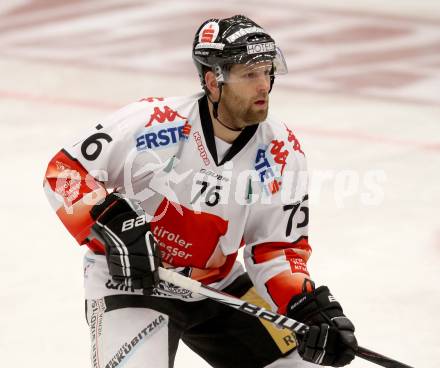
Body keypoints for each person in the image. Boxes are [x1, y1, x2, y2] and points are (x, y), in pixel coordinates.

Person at [44, 15, 358, 368]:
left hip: (216, 287)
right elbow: (64, 173)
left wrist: (306, 306)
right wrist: (111, 223)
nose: (263, 86)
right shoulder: (152, 121)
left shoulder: (282, 151)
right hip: (133, 283)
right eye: (248, 74)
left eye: (267, 71)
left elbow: (277, 249)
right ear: (213, 81)